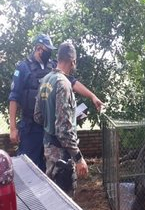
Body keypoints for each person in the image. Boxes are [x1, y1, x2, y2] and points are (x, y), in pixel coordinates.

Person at [8, 34, 103, 171]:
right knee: (28, 167)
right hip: (30, 127)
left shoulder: (53, 66)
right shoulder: (23, 68)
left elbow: (72, 81)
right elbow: (14, 97)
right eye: (47, 49)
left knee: (51, 168)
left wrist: (92, 96)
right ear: (39, 48)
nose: (49, 52)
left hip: (49, 129)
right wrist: (12, 128)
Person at [34, 41, 88, 197]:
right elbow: (63, 130)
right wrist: (78, 158)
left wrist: (53, 119)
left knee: (53, 198)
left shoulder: (45, 80)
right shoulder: (64, 84)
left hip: (49, 148)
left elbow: (37, 116)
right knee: (66, 202)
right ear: (73, 61)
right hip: (61, 156)